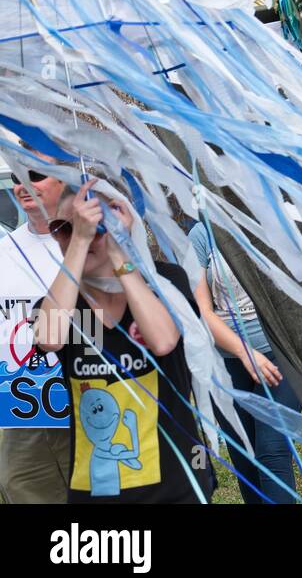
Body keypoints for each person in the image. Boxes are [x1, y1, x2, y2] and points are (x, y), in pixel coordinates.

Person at [36, 180, 214, 503]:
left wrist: (120, 250)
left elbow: (162, 342)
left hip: (176, 490)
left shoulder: (166, 282)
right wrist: (78, 243)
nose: (82, 235)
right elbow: (48, 338)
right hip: (97, 495)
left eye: (95, 227)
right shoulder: (63, 303)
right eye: (64, 228)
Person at [189, 221, 302, 504]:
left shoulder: (267, 219)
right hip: (227, 360)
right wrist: (244, 353)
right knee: (245, 454)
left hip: (281, 354)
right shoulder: (201, 234)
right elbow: (203, 312)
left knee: (271, 446)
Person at [0, 160, 71, 503]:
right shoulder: (4, 252)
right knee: (23, 491)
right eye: (17, 176)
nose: (23, 184)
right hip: (20, 411)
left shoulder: (93, 249)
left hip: (87, 404)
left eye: (36, 175)